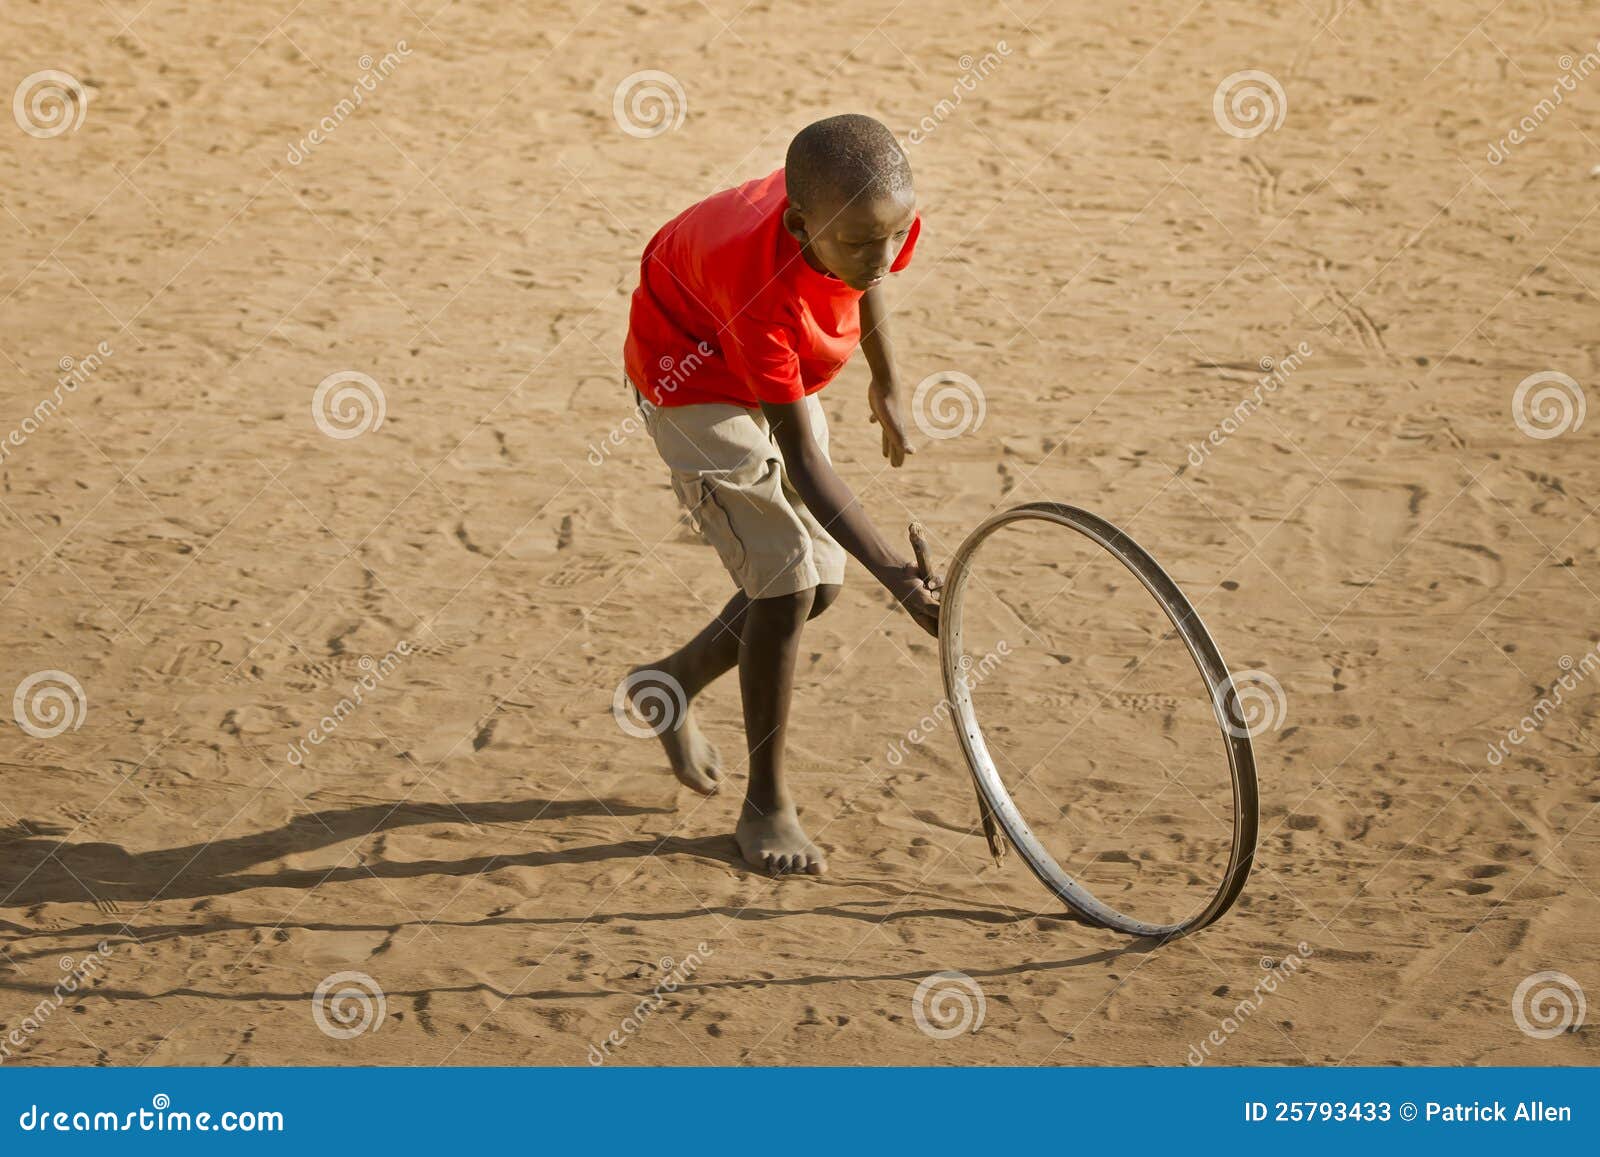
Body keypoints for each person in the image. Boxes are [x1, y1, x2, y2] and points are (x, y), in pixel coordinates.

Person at [621, 113, 940, 876]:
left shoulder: (862, 216)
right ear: (800, 224)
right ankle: (765, 804)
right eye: (862, 241)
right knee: (791, 576)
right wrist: (899, 576)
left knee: (815, 586)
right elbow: (800, 457)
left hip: (769, 365)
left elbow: (869, 278)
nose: (884, 254)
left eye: (895, 234)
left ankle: (669, 683)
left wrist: (887, 380)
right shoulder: (755, 280)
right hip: (691, 375)